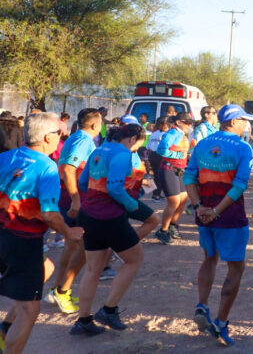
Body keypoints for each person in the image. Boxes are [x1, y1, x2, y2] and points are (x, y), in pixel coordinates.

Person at [0, 112, 84, 353]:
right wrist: (69, 232)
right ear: (48, 137)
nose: (62, 137)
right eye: (60, 134)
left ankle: (5, 324)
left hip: (4, 236)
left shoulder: (5, 157)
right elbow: (50, 214)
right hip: (22, 241)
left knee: (46, 267)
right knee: (30, 310)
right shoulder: (47, 167)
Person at [184, 104, 253, 347]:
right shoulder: (243, 148)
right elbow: (240, 185)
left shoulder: (202, 143)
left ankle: (202, 305)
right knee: (236, 268)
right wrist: (216, 211)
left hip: (203, 214)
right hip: (229, 215)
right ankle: (221, 322)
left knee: (209, 258)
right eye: (244, 120)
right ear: (233, 122)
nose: (247, 124)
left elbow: (189, 177)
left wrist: (198, 207)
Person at [69, 123, 148, 336]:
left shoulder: (98, 149)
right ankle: (109, 310)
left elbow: (84, 182)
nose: (136, 150)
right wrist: (131, 206)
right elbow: (114, 187)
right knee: (134, 259)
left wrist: (95, 199)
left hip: (89, 214)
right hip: (109, 216)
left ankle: (83, 320)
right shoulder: (122, 153)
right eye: (138, 146)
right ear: (131, 139)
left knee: (93, 269)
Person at [47, 108, 102, 315]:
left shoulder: (76, 137)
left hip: (69, 196)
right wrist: (76, 200)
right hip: (73, 198)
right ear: (96, 125)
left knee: (72, 246)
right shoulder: (83, 140)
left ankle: (57, 289)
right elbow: (70, 169)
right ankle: (63, 290)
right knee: (81, 247)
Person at [154, 113, 195, 244]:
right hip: (168, 169)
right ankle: (162, 231)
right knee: (174, 202)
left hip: (179, 170)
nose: (190, 125)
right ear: (178, 122)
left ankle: (172, 225)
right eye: (187, 122)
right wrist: (178, 154)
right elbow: (160, 150)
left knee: (183, 199)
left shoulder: (182, 134)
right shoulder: (171, 134)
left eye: (191, 123)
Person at [147, 117, 170, 202]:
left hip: (153, 156)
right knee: (159, 176)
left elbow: (148, 147)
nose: (169, 126)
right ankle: (155, 195)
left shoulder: (154, 134)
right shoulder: (166, 135)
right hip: (159, 156)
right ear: (161, 125)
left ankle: (157, 194)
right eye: (167, 124)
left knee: (156, 175)